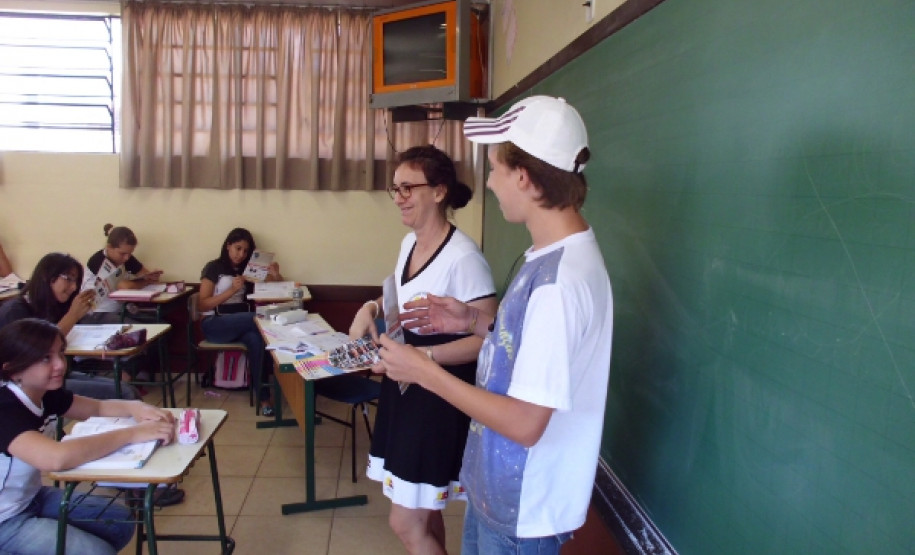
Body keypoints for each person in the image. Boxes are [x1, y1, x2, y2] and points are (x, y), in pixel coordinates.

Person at [376, 96, 614, 555]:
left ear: (523, 178)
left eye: (495, 170)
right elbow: (530, 345)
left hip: (524, 506)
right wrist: (476, 321)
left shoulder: (558, 285)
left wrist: (425, 369)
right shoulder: (548, 254)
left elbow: (526, 423)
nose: (488, 182)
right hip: (500, 491)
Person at [348, 145, 497, 554]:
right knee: (426, 511)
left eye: (408, 187)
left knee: (404, 522)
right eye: (394, 189)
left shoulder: (464, 258)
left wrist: (425, 360)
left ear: (439, 191)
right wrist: (370, 307)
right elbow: (398, 292)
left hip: (437, 397)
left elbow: (488, 338)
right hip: (405, 388)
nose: (399, 197)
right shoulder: (408, 244)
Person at [0, 318, 176, 555]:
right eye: (45, 359)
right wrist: (132, 433)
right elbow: (56, 458)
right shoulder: (5, 407)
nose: (60, 365)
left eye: (60, 354)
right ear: (12, 369)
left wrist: (136, 408)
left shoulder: (41, 391)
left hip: (29, 498)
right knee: (97, 551)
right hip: (5, 520)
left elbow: (98, 408)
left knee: (118, 522)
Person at [0, 252, 140, 400]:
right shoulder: (15, 311)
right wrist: (72, 315)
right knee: (125, 393)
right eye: (68, 279)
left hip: (57, 372)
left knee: (127, 390)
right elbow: (34, 353)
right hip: (25, 385)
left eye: (76, 281)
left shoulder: (56, 305)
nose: (73, 287)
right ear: (47, 277)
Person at [197, 227, 283, 416]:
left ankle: (264, 398)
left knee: (257, 339)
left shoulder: (248, 270)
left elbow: (277, 288)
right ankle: (289, 367)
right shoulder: (214, 267)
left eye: (245, 251)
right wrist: (231, 291)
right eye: (238, 248)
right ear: (228, 246)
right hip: (214, 324)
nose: (241, 254)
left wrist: (276, 276)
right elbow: (202, 304)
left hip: (240, 323)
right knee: (259, 319)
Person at [80, 223, 163, 325]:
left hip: (119, 310)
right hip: (96, 313)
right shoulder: (98, 260)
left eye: (130, 253)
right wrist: (145, 281)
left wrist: (151, 277)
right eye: (123, 254)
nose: (127, 258)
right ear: (109, 247)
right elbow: (124, 286)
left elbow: (146, 275)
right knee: (142, 329)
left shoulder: (125, 257)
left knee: (161, 323)